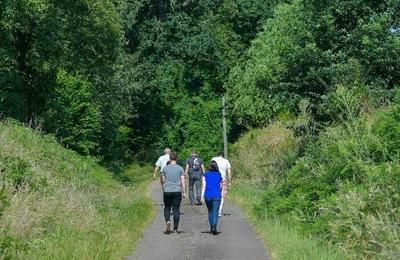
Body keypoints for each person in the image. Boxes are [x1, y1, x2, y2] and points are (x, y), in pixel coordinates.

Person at [160, 152, 186, 234]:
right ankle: (175, 229)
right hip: (177, 191)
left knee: (167, 208)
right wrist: (184, 192)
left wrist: (165, 183)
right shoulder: (180, 168)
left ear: (169, 159)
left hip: (167, 191)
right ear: (176, 159)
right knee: (176, 210)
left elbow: (163, 180)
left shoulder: (165, 168)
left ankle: (168, 221)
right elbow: (183, 181)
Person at [201, 160, 222, 235]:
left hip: (208, 195)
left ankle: (211, 227)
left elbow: (203, 186)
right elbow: (220, 186)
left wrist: (202, 196)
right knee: (215, 212)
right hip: (217, 195)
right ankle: (214, 227)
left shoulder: (205, 175)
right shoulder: (219, 175)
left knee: (210, 211)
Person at [211, 152, 232, 216]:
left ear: (218, 156)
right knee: (221, 195)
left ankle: (214, 209)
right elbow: (229, 172)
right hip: (223, 180)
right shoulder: (226, 161)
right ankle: (219, 211)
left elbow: (211, 168)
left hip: (214, 179)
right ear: (223, 156)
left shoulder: (214, 159)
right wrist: (230, 182)